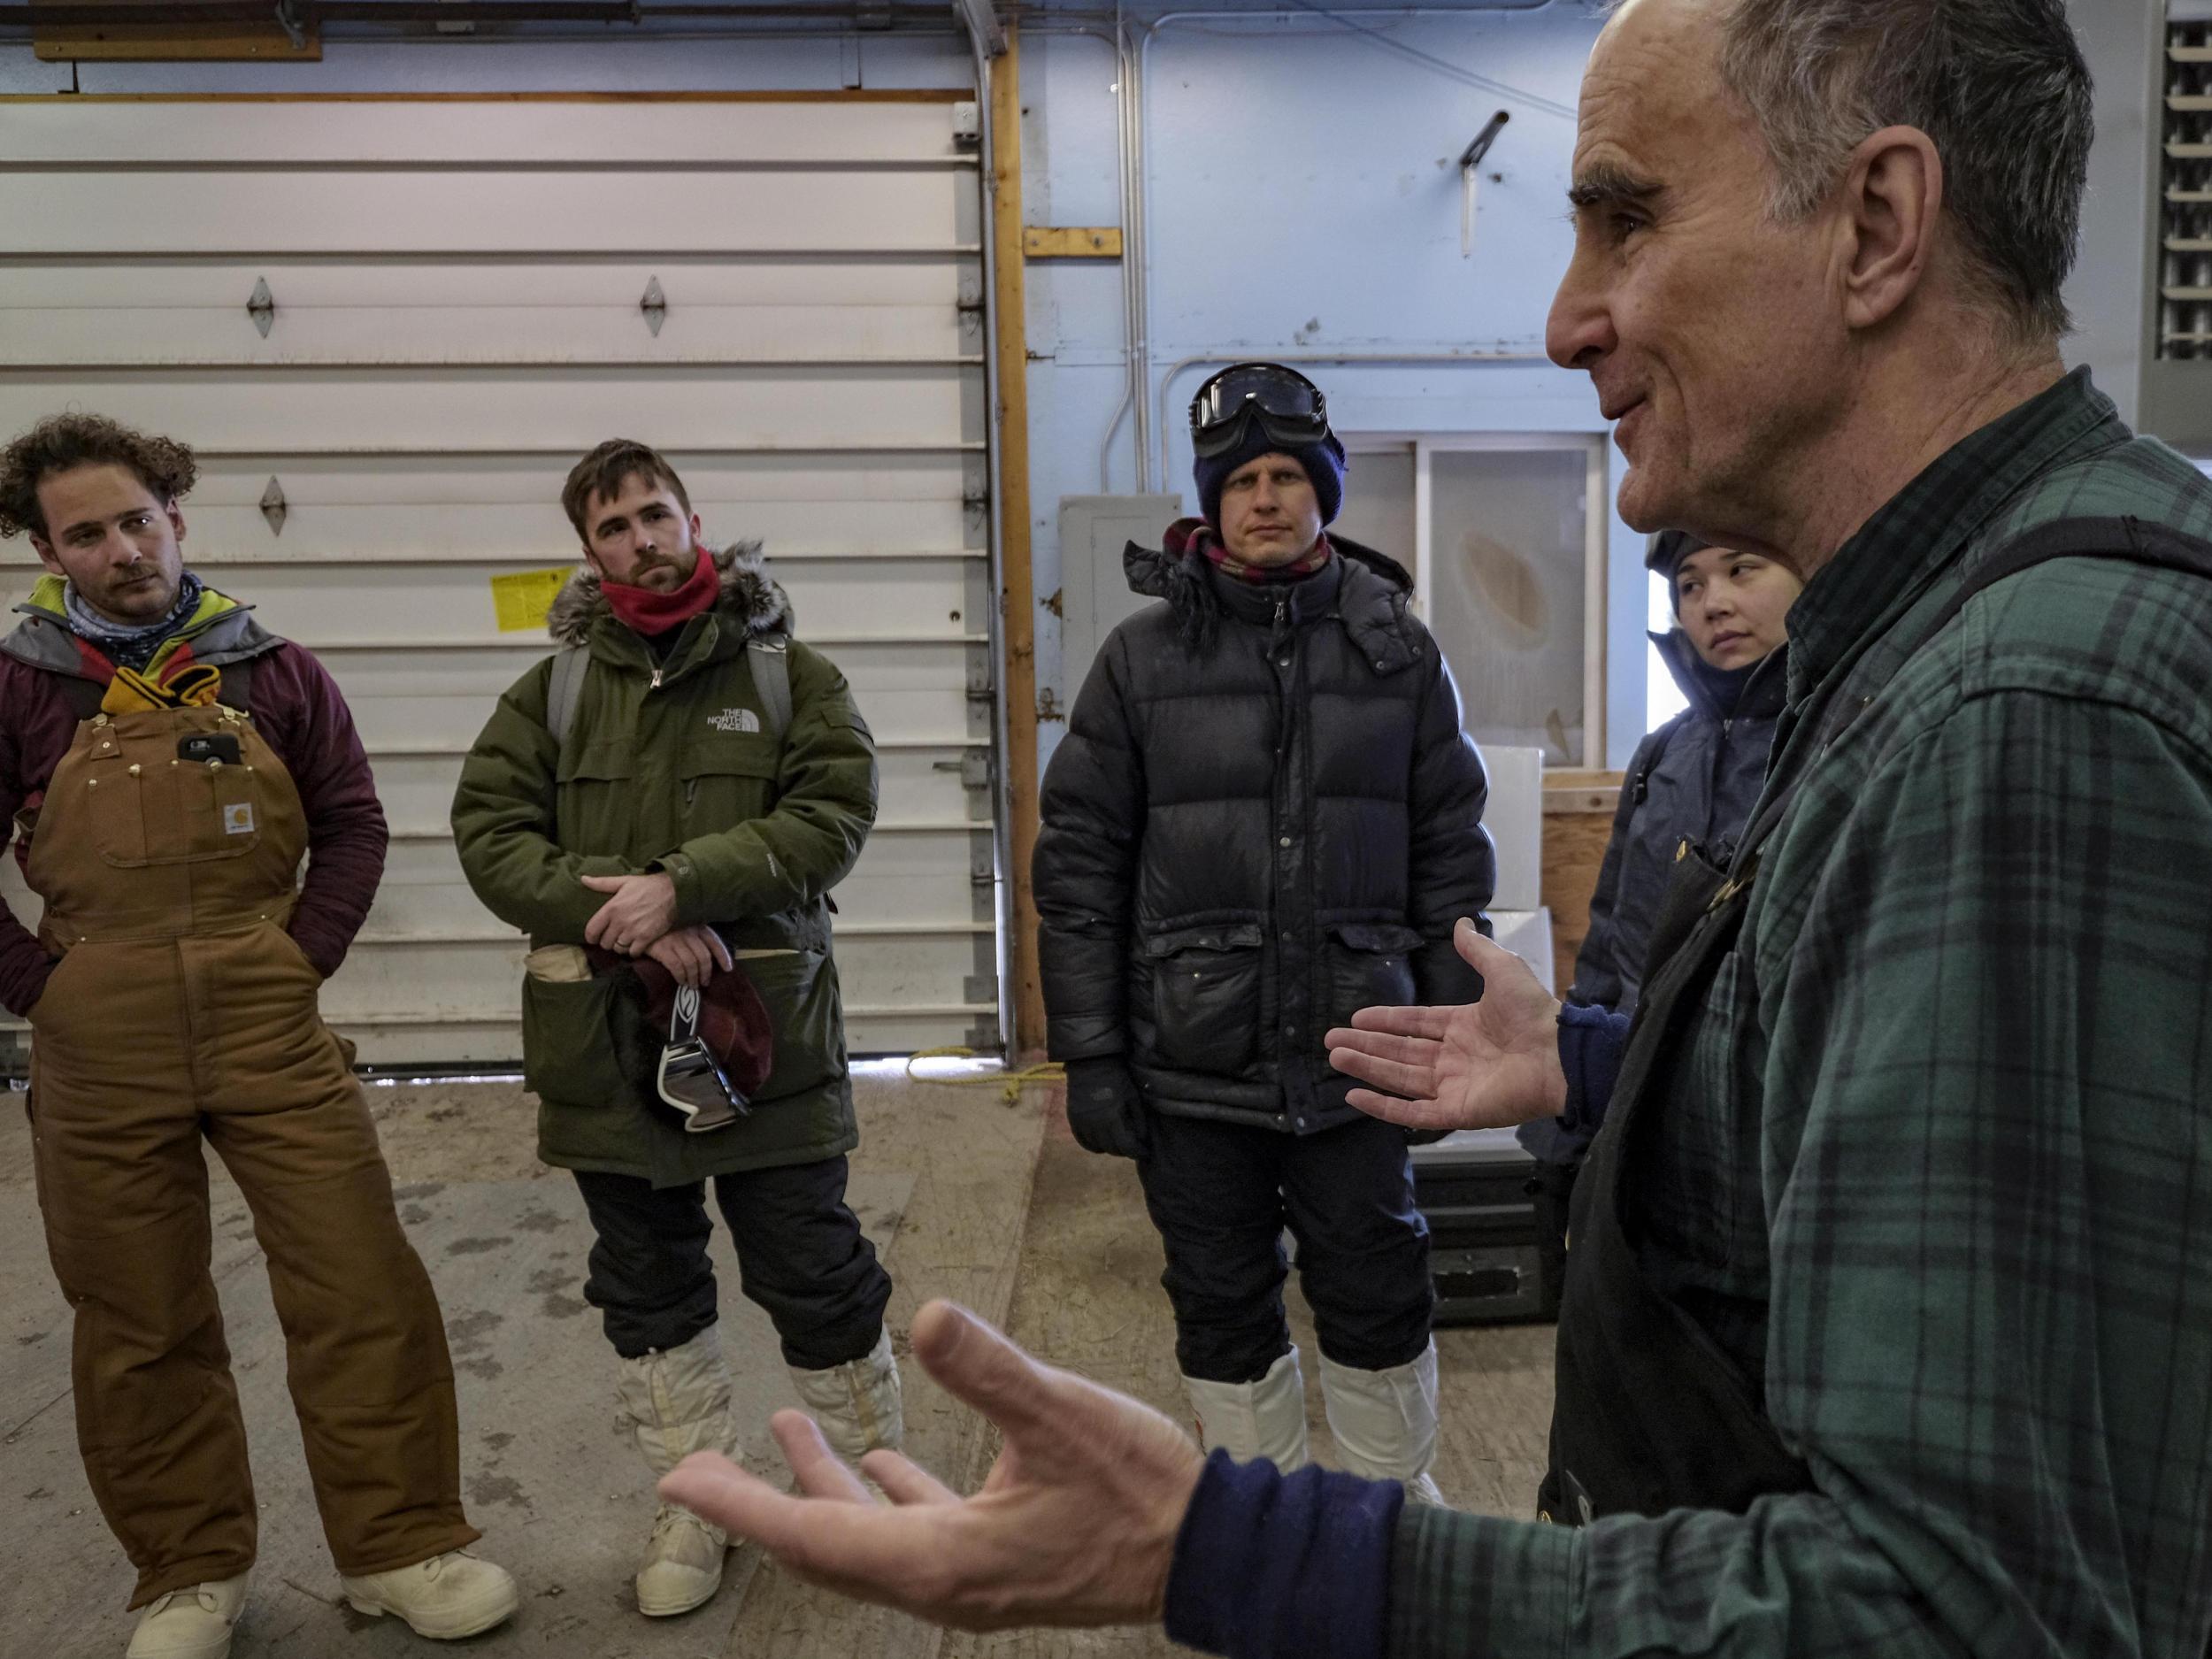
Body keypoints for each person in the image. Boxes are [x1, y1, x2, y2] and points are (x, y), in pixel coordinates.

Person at [652, 1, 2212, 1655]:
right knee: (1227, 1309)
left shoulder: (2024, 723)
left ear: (1877, 225)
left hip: (1337, 1071)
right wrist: (1610, 1068)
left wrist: (1245, 1558)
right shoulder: (1938, 642)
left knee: (1375, 1306)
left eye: (1627, 216)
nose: (1563, 319)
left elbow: (1972, 1614)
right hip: (1196, 1070)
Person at [0, 414, 518, 1659]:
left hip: (266, 1014)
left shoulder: (272, 668)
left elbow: (353, 819)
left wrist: (301, 955)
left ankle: (402, 1546)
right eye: (88, 533)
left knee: (358, 1278)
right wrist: (38, 986)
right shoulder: (22, 682)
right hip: (96, 1027)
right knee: (138, 1312)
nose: (123, 548)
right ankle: (189, 1569)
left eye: (139, 518)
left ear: (176, 513)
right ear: (45, 548)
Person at [449, 437, 902, 1620]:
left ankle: (869, 1491)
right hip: (604, 1046)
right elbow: (492, 835)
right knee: (646, 1283)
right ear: (588, 552)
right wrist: (630, 913)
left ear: (696, 518)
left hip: (768, 1049)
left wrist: (688, 881)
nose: (640, 538)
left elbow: (834, 814)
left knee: (816, 1271)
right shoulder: (546, 694)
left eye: (655, 513)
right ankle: (699, 1499)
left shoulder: (790, 676)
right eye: (612, 526)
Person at [1033, 362, 1494, 1499]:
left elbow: (1449, 855)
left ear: (1325, 491)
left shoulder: (1398, 653)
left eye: (1290, 474)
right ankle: (1267, 1519)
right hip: (1194, 1066)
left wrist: (1450, 1040)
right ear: (1211, 502)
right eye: (1241, 480)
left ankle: (1393, 1517)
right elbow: (1079, 869)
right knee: (1220, 1295)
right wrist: (1090, 1055)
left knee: (1379, 1281)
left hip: (1362, 1053)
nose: (1267, 497)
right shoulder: (1141, 661)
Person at [1517, 531, 1800, 1206]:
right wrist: (1572, 1130)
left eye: (1741, 569)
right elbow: (1608, 949)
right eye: (1690, 585)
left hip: (1769, 1139)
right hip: (1639, 1114)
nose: (1713, 603)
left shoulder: (1839, 735)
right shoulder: (1661, 753)